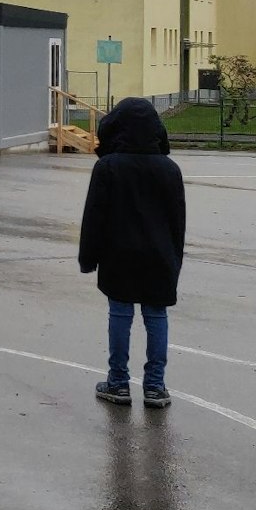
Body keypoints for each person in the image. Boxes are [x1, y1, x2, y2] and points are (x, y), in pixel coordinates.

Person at [78, 98, 186, 409]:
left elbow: (94, 217)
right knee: (156, 315)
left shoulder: (108, 167)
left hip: (118, 254)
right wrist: (174, 261)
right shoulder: (169, 169)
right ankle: (155, 386)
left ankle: (118, 382)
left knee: (120, 315)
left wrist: (89, 258)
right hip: (160, 255)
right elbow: (177, 221)